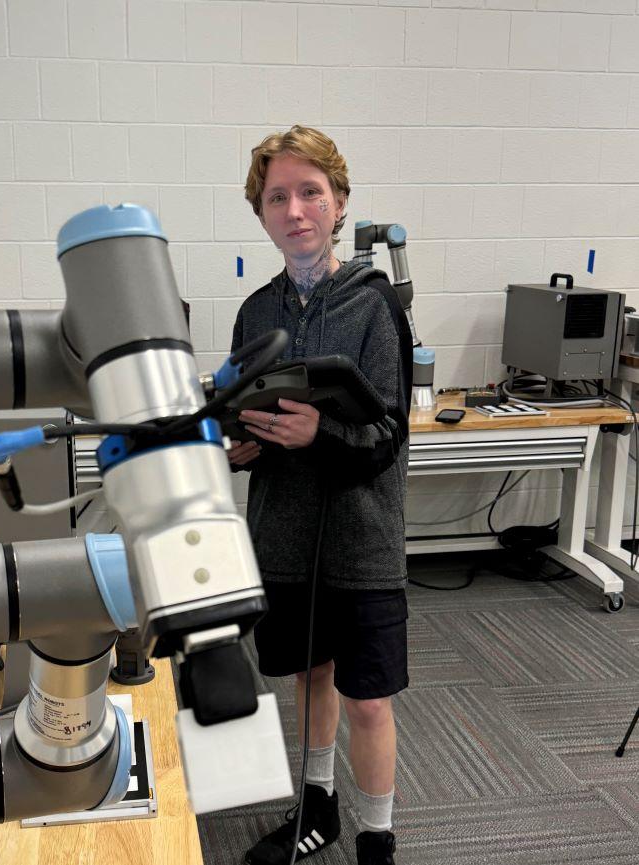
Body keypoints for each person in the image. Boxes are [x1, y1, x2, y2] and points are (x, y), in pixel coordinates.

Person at [228, 126, 412, 865]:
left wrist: (321, 437)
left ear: (339, 204)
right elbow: (250, 412)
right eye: (278, 196)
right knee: (308, 676)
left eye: (311, 192)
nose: (295, 208)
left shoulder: (375, 307)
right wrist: (243, 446)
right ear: (262, 213)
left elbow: (392, 433)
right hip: (285, 534)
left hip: (360, 540)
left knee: (368, 697)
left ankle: (377, 839)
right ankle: (317, 805)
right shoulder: (255, 313)